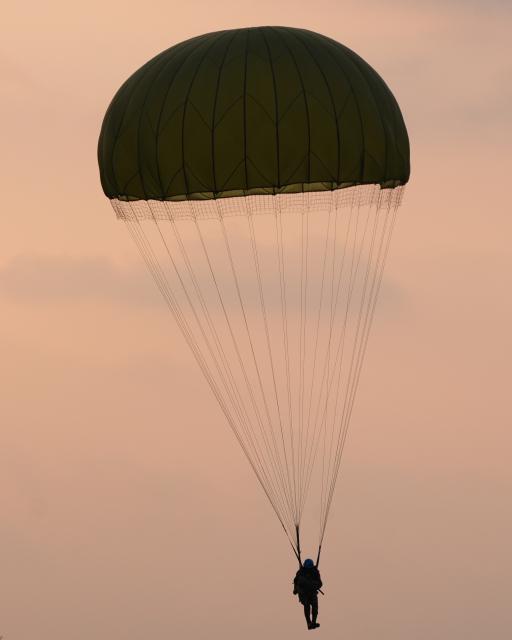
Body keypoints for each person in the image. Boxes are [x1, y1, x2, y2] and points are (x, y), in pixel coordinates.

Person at [293, 558, 323, 629]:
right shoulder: (301, 572)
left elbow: (320, 583)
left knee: (315, 606)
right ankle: (309, 623)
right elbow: (296, 582)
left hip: (312, 592)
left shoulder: (315, 572)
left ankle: (313, 622)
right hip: (303, 593)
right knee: (307, 605)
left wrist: (313, 585)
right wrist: (296, 589)